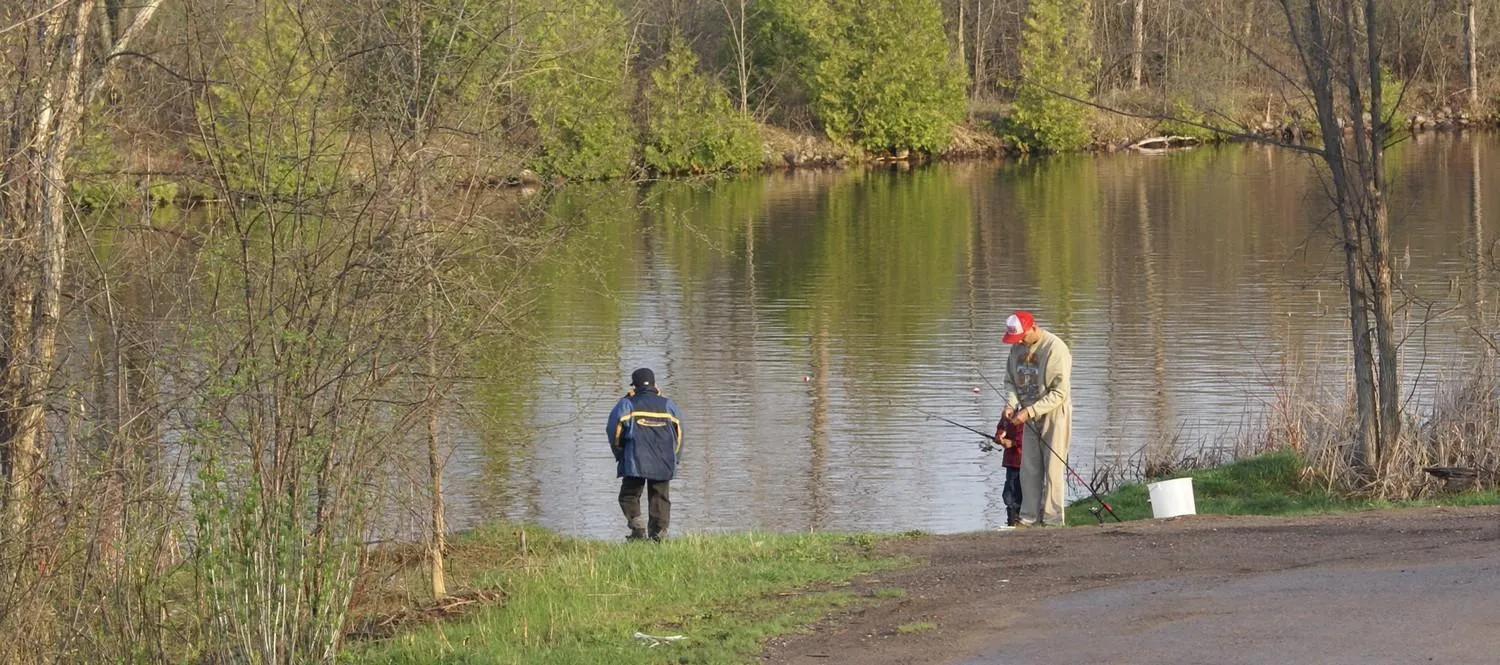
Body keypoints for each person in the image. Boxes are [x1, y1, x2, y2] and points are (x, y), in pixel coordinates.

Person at [1001, 311, 1073, 526]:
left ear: (1033, 327)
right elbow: (1009, 380)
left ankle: (1053, 520)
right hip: (1027, 415)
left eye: (1022, 337)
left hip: (1054, 414)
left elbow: (1060, 393)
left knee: (1053, 468)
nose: (1020, 342)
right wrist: (1011, 403)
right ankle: (1029, 517)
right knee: (1028, 467)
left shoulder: (1055, 348)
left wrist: (1030, 411)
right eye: (1016, 339)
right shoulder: (1016, 348)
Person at [606, 367, 683, 542]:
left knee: (629, 495)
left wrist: (620, 453)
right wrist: (675, 458)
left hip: (635, 459)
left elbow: (614, 431)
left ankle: (637, 529)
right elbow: (680, 435)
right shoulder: (668, 405)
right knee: (660, 496)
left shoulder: (627, 404)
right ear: (655, 384)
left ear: (634, 386)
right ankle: (659, 535)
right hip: (664, 460)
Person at [991, 417, 1024, 527]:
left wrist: (1014, 442)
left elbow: (1030, 437)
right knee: (1009, 491)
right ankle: (1012, 520)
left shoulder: (1027, 412)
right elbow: (1001, 426)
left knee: (1020, 491)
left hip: (1024, 460)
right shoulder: (1008, 412)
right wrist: (999, 437)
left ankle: (1019, 519)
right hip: (1011, 462)